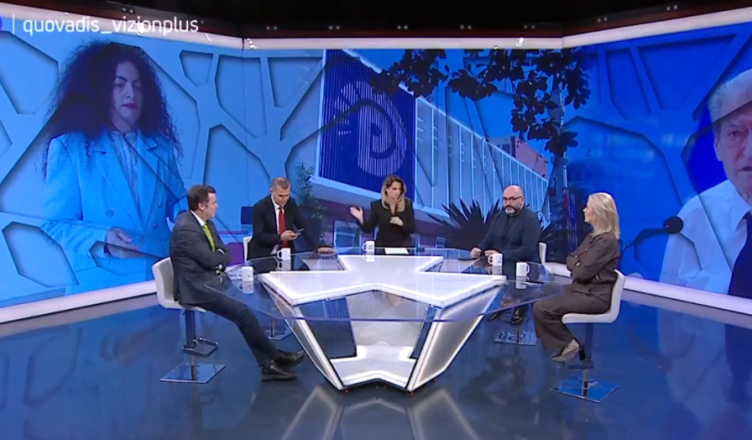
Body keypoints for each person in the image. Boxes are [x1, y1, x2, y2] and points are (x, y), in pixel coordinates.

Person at [41, 41, 187, 293]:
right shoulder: (69, 147)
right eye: (119, 84)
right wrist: (104, 239)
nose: (131, 93)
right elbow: (55, 224)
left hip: (160, 282)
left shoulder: (160, 146)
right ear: (98, 90)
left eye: (137, 86)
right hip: (102, 288)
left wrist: (186, 215)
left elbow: (177, 199)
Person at [661, 68, 752, 406]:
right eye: (735, 133)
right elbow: (670, 331)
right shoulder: (693, 218)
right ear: (716, 146)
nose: (751, 150)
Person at [170, 185, 304, 380]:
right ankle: (270, 361)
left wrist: (219, 257)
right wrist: (219, 257)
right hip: (197, 287)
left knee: (246, 310)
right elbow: (210, 259)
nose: (217, 206)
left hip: (214, 280)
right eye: (214, 202)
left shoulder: (206, 223)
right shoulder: (186, 229)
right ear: (201, 205)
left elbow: (225, 252)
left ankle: (272, 358)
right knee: (243, 312)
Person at [532, 192, 621, 363]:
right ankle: (559, 342)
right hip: (581, 288)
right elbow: (570, 259)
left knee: (542, 308)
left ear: (598, 212)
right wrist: (578, 264)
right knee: (538, 293)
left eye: (588, 207)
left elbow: (581, 272)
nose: (584, 210)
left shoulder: (606, 242)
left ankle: (569, 343)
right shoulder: (593, 237)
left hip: (594, 296)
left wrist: (578, 265)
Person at [470, 185, 541, 323]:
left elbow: (528, 250)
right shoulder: (500, 216)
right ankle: (500, 304)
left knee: (510, 272)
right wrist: (479, 248)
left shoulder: (530, 219)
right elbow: (489, 238)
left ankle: (520, 306)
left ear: (522, 200)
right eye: (505, 199)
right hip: (501, 262)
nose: (508, 203)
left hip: (523, 264)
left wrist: (500, 255)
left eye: (512, 199)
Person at [246, 177, 334, 260]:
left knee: (305, 269)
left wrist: (317, 246)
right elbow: (259, 236)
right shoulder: (260, 207)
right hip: (263, 255)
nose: (284, 199)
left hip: (287, 254)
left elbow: (302, 226)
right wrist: (280, 237)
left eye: (287, 195)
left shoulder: (291, 203)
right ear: (271, 191)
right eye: (281, 196)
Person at [349, 175, 416, 248]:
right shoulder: (377, 205)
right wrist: (361, 218)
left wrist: (402, 224)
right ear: (386, 189)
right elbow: (369, 228)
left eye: (399, 189)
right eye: (394, 189)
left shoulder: (407, 204)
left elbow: (412, 228)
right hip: (383, 247)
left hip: (402, 247)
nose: (397, 192)